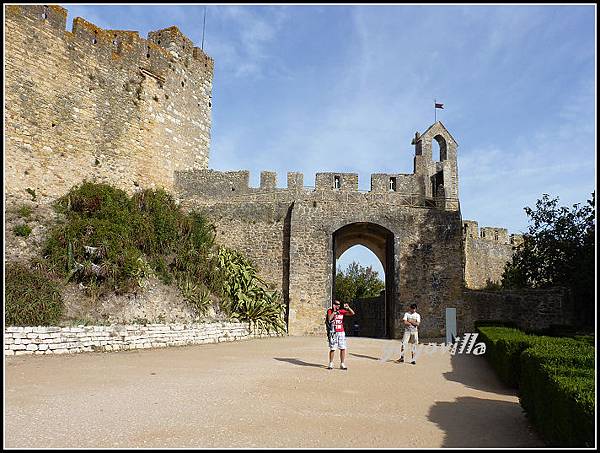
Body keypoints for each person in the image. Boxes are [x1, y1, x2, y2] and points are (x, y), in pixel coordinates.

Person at [326, 299, 355, 370]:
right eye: (336, 304)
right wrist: (335, 312)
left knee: (342, 347)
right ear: (333, 304)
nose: (337, 305)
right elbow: (329, 318)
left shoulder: (341, 311)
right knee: (333, 348)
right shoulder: (330, 311)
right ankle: (331, 363)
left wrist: (348, 308)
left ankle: (342, 363)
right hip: (333, 332)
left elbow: (352, 313)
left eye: (339, 304)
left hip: (341, 332)